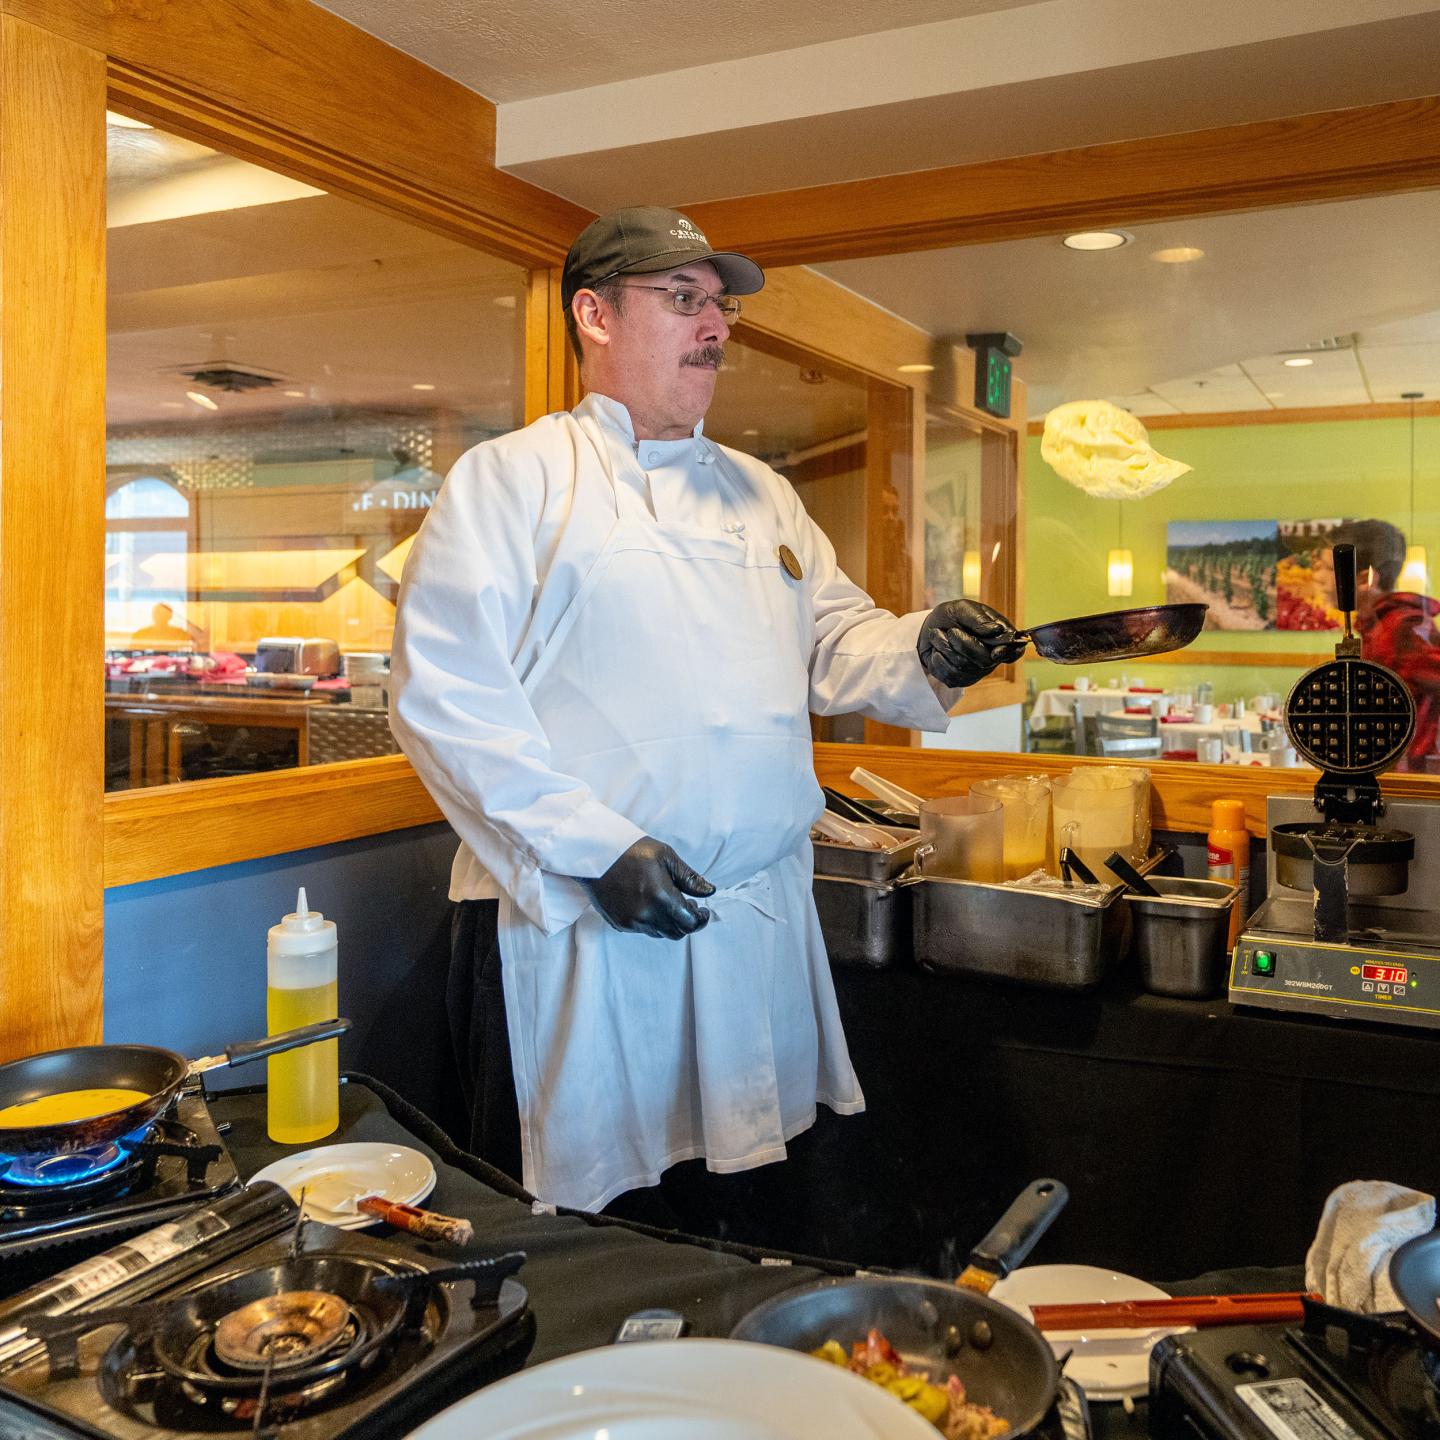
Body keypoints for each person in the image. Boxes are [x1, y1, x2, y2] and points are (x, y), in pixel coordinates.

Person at [389, 206, 1025, 1216]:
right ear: (592, 315)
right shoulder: (511, 483)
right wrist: (595, 847)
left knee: (740, 1213)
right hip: (587, 931)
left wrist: (924, 644)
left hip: (749, 927)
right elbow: (445, 700)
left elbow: (832, 642)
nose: (716, 327)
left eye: (718, 305)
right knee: (588, 1233)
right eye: (681, 300)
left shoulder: (763, 495)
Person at [1334, 519, 1440, 770]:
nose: (1316, 576)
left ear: (1364, 579)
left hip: (1412, 778)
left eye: (1327, 569)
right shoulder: (1377, 625)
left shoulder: (1400, 627)